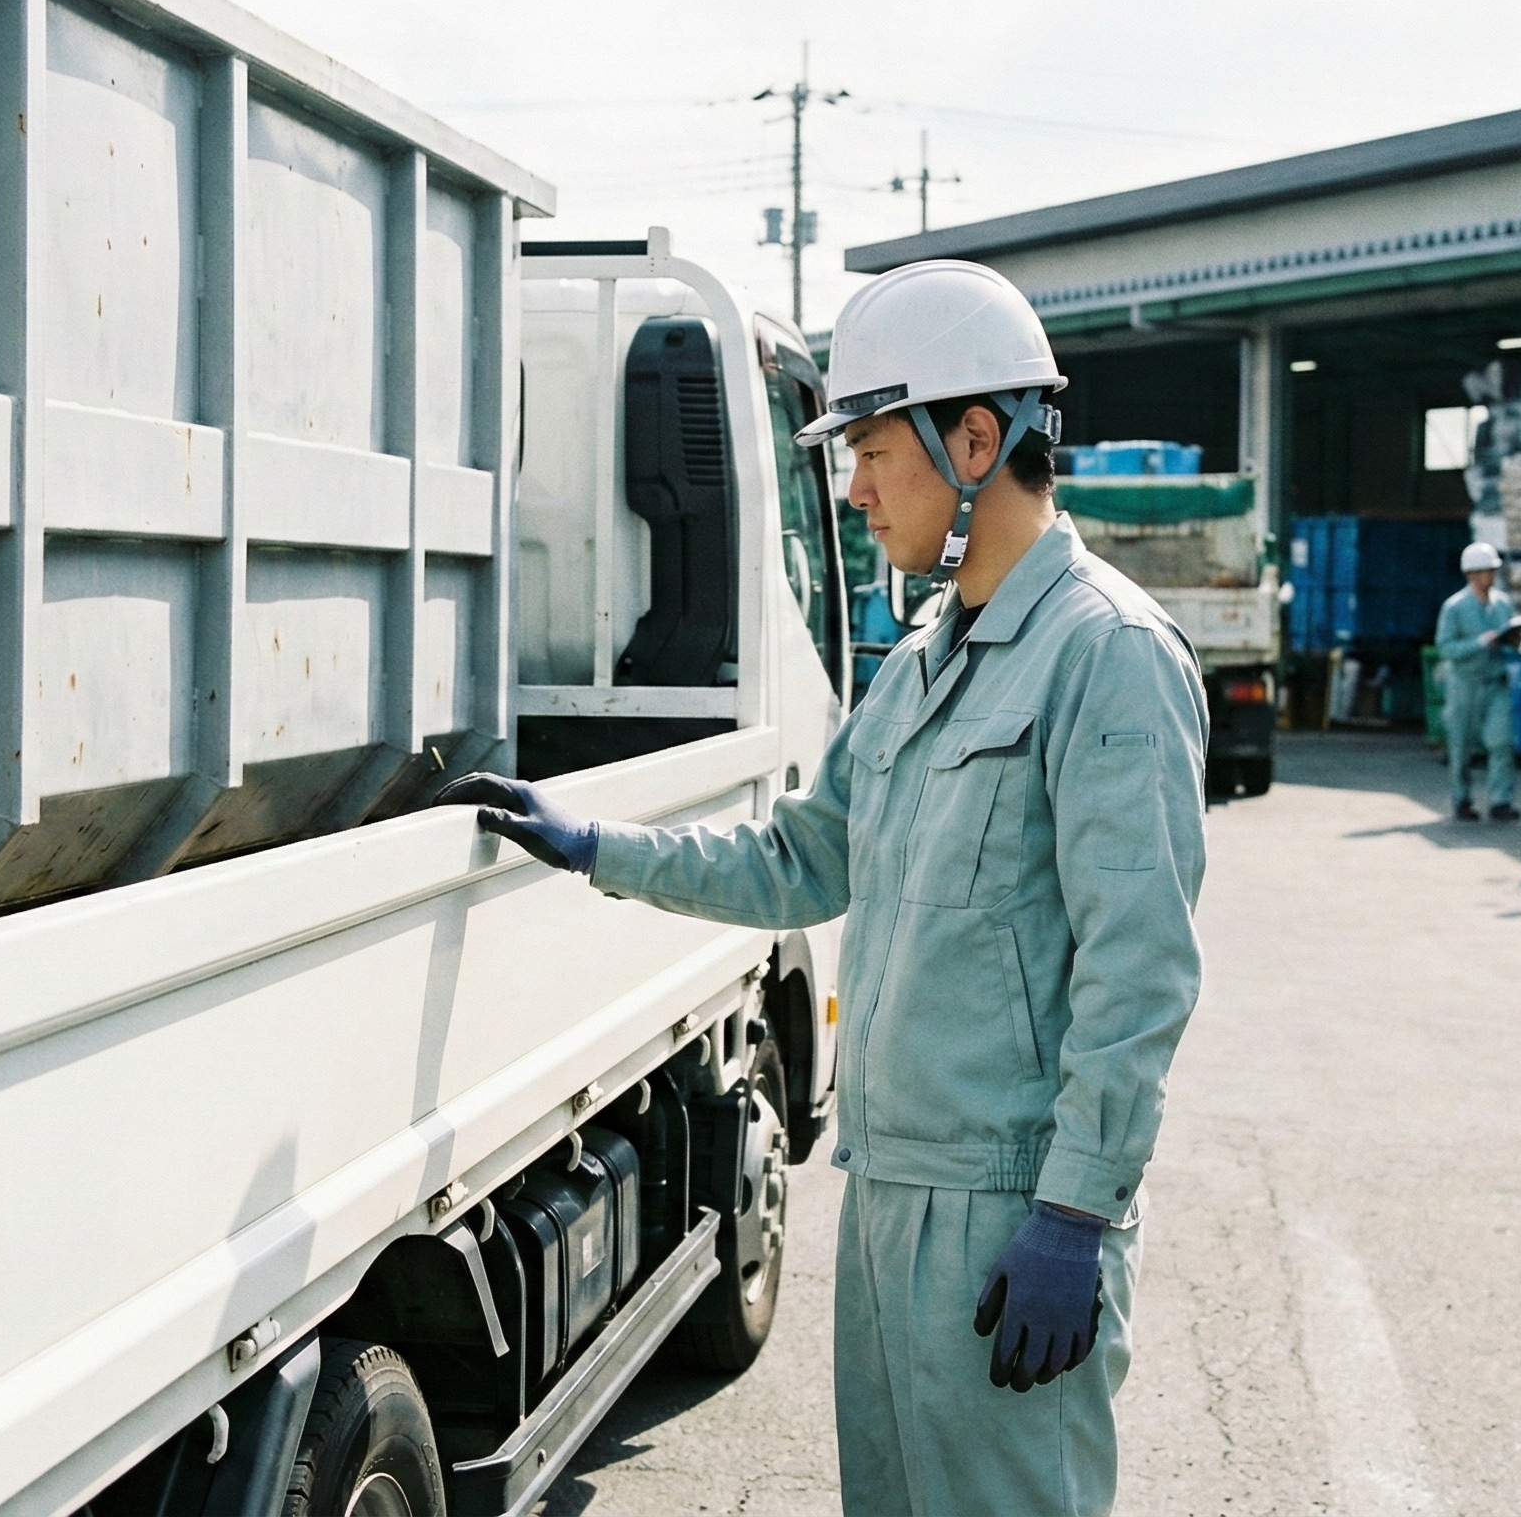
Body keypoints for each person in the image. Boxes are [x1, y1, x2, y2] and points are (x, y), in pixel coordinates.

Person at [439, 260, 1208, 1517]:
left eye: (872, 453)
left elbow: (1140, 973)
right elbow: (797, 861)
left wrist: (1076, 1213)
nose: (853, 490)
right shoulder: (922, 663)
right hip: (888, 1189)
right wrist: (597, 848)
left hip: (1012, 1214)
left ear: (975, 442)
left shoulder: (1105, 656)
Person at [1436, 543, 1521, 822]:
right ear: (1471, 574)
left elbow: (1510, 637)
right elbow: (1446, 647)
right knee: (1461, 746)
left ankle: (1500, 801)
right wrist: (1480, 643)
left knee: (1502, 741)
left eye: (1493, 570)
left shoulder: (1503, 604)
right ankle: (1461, 798)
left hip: (1494, 681)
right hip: (1464, 683)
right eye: (1486, 571)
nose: (1492, 576)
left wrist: (1516, 639)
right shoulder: (1454, 608)